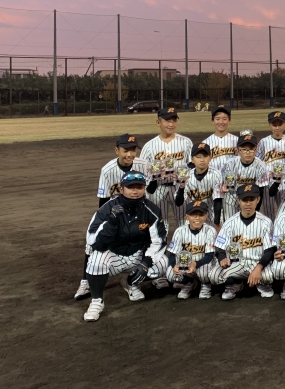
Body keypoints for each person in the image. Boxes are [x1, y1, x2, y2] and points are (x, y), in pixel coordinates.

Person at [82, 171, 168, 321]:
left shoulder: (151, 210)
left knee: (163, 263)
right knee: (95, 261)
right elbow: (93, 242)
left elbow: (158, 241)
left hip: (137, 254)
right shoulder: (107, 209)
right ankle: (96, 301)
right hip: (112, 255)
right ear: (121, 189)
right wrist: (111, 223)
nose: (135, 191)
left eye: (139, 187)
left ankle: (130, 283)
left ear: (144, 188)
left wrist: (146, 263)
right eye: (130, 187)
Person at [210, 183, 280, 300]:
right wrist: (222, 257)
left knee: (268, 276)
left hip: (258, 262)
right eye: (244, 200)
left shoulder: (266, 222)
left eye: (251, 199)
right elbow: (220, 246)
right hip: (237, 263)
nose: (248, 203)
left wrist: (258, 268)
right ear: (238, 200)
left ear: (258, 200)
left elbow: (269, 251)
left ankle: (263, 284)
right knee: (214, 276)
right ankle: (235, 284)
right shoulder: (230, 223)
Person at [140, 107, 193, 227]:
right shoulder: (149, 146)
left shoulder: (186, 142)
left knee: (184, 222)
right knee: (160, 223)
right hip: (158, 188)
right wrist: (152, 173)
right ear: (158, 122)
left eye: (174, 120)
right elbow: (142, 170)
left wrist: (184, 176)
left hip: (180, 188)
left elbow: (192, 164)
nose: (171, 124)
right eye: (167, 121)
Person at [165, 201, 217, 299]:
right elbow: (172, 254)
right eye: (193, 215)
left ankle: (206, 285)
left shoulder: (210, 231)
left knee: (204, 272)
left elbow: (209, 256)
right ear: (186, 217)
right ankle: (188, 283)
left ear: (206, 216)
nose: (197, 218)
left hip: (204, 264)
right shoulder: (180, 231)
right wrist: (174, 265)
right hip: (186, 265)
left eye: (201, 215)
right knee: (170, 274)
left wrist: (195, 264)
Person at [215, 133, 270, 223]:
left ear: (256, 151)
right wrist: (222, 187)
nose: (247, 152)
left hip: (250, 199)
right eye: (244, 149)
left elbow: (260, 191)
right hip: (232, 197)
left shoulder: (261, 167)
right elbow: (220, 184)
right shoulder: (229, 164)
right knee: (231, 223)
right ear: (238, 151)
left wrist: (256, 210)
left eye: (251, 149)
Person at [174, 142, 222, 227]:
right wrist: (181, 187)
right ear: (192, 159)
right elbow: (178, 202)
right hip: (193, 215)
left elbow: (218, 201)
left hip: (212, 215)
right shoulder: (186, 176)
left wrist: (216, 223)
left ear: (210, 158)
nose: (202, 160)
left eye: (205, 156)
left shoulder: (216, 174)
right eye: (198, 157)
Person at [204, 105, 238, 170]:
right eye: (217, 119)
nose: (221, 122)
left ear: (229, 120)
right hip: (213, 175)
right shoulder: (205, 143)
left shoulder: (237, 141)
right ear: (213, 121)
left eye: (224, 119)